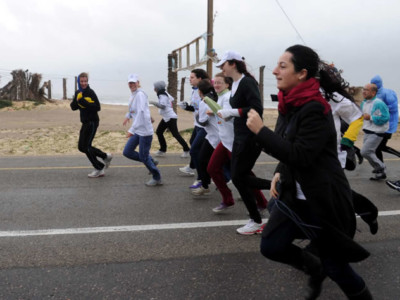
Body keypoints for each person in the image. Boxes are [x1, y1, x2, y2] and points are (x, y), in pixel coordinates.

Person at [247, 45, 372, 299]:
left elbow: (301, 154)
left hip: (320, 200)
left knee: (337, 267)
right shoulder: (289, 103)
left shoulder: (316, 108)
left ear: (302, 74)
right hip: (294, 192)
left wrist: (261, 131)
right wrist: (280, 171)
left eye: (283, 66)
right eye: (276, 65)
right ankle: (314, 267)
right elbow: (289, 145)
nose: (274, 71)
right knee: (271, 246)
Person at [216, 51, 267, 235]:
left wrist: (231, 112)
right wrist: (227, 115)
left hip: (250, 137)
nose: (221, 69)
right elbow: (241, 110)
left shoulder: (247, 81)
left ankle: (256, 220)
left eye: (223, 65)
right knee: (240, 177)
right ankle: (280, 187)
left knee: (238, 177)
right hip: (239, 135)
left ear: (233, 64)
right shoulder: (236, 83)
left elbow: (256, 109)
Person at [208, 72, 269, 214]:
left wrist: (218, 112)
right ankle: (228, 199)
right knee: (212, 168)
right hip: (224, 141)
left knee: (244, 175)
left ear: (227, 84)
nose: (216, 85)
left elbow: (230, 117)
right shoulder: (220, 96)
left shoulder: (229, 97)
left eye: (219, 82)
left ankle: (262, 201)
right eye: (214, 82)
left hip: (234, 141)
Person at [70, 72, 112, 178]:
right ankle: (105, 156)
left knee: (87, 147)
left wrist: (82, 101)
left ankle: (99, 168)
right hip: (85, 122)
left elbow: (98, 107)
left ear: (87, 81)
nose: (84, 83)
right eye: (82, 81)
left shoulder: (90, 92)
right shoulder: (78, 92)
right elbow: (73, 107)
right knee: (81, 147)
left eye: (85, 81)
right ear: (79, 82)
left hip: (93, 122)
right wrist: (77, 99)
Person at [122, 74, 162, 186]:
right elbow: (132, 109)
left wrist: (131, 129)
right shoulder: (133, 95)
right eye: (130, 83)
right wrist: (127, 116)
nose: (131, 85)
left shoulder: (140, 94)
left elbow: (141, 112)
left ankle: (157, 176)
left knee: (143, 156)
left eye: (133, 83)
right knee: (127, 152)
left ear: (138, 83)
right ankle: (151, 161)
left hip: (144, 131)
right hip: (138, 130)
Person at [178, 69, 209, 187]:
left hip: (204, 126)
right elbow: (196, 108)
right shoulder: (195, 91)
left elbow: (206, 107)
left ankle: (202, 178)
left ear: (200, 79)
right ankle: (193, 168)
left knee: (195, 150)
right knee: (194, 145)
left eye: (192, 77)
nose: (189, 80)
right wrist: (186, 107)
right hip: (198, 124)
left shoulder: (205, 91)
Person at [191, 79, 220, 196]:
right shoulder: (214, 97)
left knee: (203, 159)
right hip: (214, 135)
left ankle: (206, 184)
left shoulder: (204, 102)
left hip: (215, 136)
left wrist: (198, 115)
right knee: (206, 159)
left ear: (200, 91)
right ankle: (206, 183)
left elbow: (203, 122)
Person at [150, 81, 190, 158]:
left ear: (158, 88)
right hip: (166, 117)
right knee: (159, 132)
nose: (154, 89)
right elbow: (171, 100)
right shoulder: (163, 93)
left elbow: (163, 106)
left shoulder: (162, 95)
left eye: (155, 87)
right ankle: (162, 150)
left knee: (175, 134)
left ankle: (187, 150)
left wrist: (153, 102)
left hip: (170, 118)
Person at [360, 83, 390, 181]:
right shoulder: (363, 103)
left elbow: (385, 117)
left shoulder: (379, 103)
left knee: (365, 152)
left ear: (373, 92)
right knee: (368, 152)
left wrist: (371, 117)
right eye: (363, 89)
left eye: (366, 90)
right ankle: (380, 173)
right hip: (367, 131)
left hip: (377, 132)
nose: (363, 91)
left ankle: (381, 167)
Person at [370, 75, 400, 161]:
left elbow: (393, 108)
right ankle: (381, 169)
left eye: (374, 83)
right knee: (379, 147)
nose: (372, 85)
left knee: (378, 148)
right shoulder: (375, 94)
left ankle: (381, 169)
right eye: (371, 83)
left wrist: (381, 111)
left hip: (388, 125)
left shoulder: (387, 93)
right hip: (379, 125)